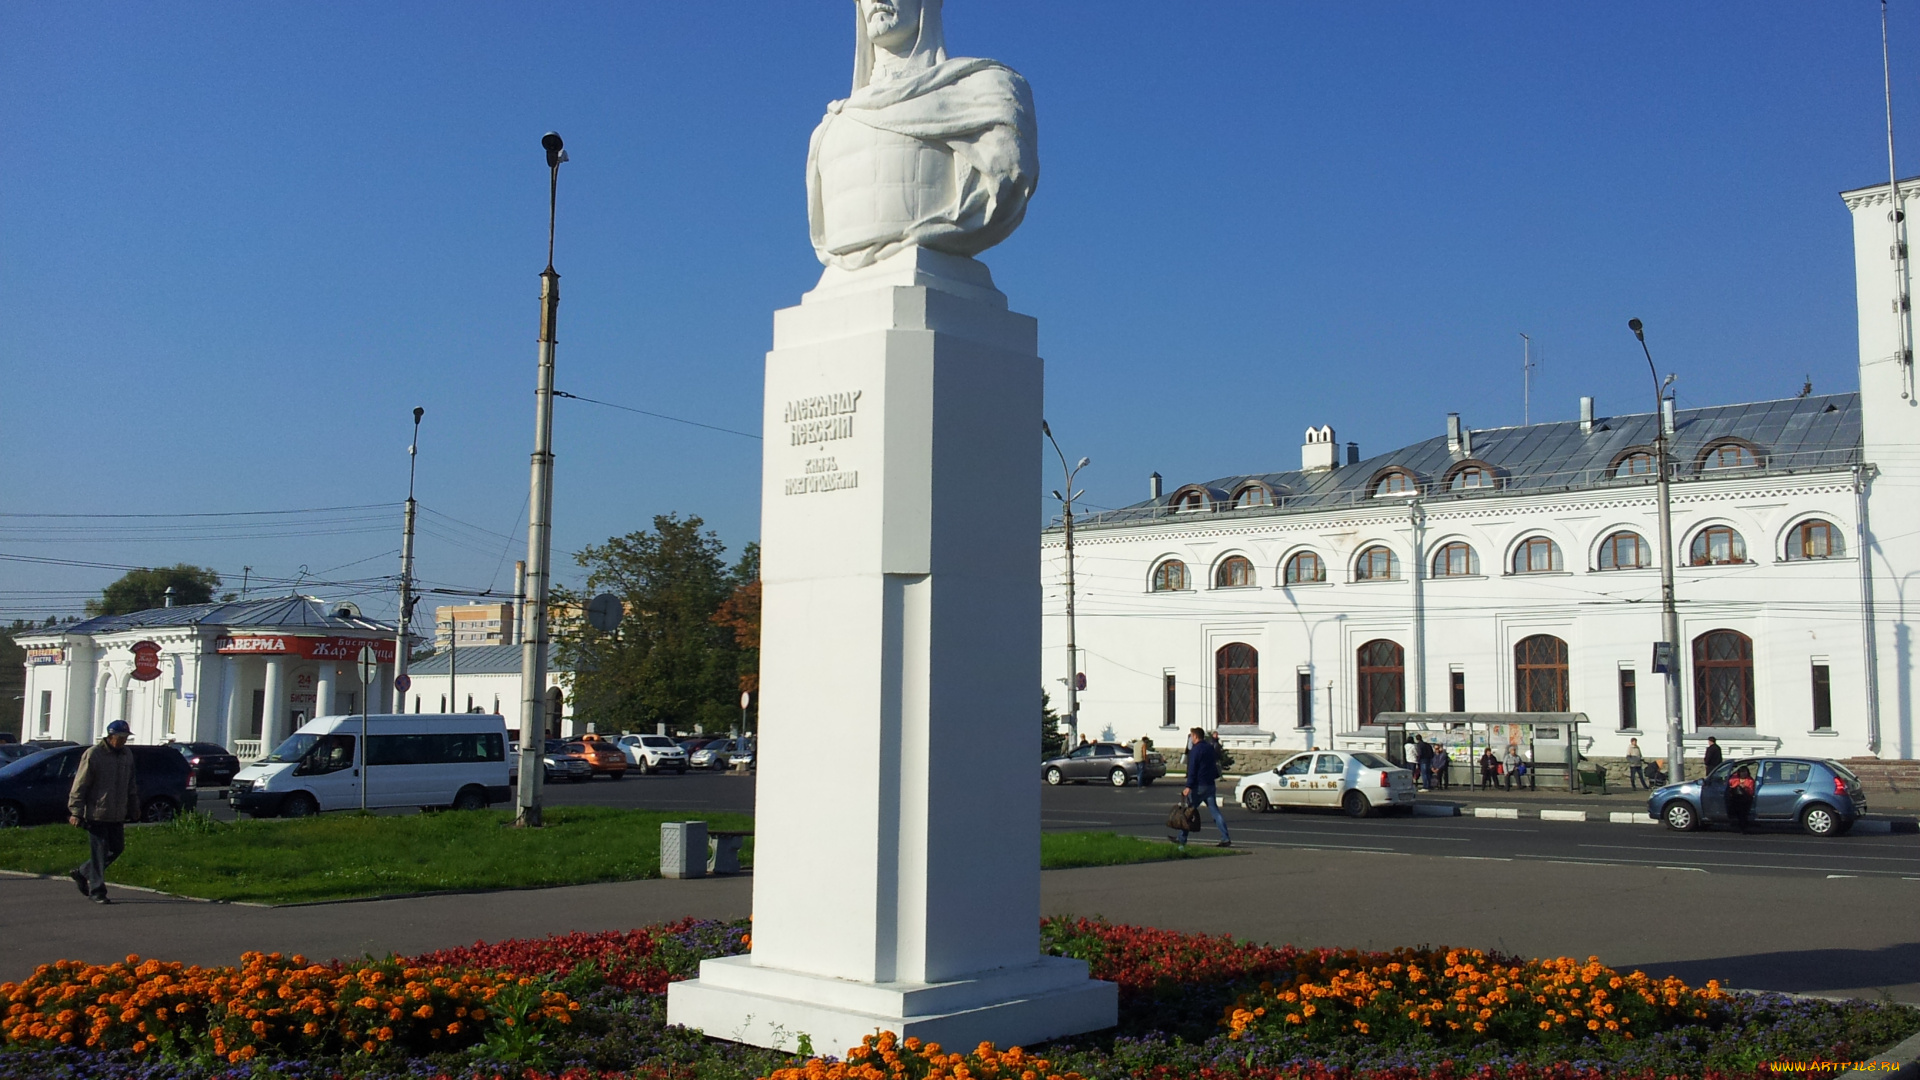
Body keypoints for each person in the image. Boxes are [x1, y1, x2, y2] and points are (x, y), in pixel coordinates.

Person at [67, 720, 140, 905]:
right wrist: (76, 811)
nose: (123, 741)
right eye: (121, 738)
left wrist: (134, 807)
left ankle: (83, 872)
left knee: (117, 848)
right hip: (97, 813)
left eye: (126, 738)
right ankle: (97, 891)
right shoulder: (94, 754)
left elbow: (131, 784)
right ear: (110, 736)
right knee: (99, 853)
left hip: (117, 813)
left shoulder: (126, 755)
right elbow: (80, 784)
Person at [1175, 726, 1231, 848]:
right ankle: (1225, 837)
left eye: (1191, 736)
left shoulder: (1195, 750)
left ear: (1195, 736)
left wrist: (1188, 786)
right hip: (1210, 784)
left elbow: (1192, 769)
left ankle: (1181, 839)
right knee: (1215, 812)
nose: (1191, 738)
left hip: (1198, 786)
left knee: (1189, 812)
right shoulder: (1209, 748)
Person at [1726, 764, 1757, 833]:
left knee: (1742, 810)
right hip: (1735, 798)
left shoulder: (1750, 780)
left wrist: (1745, 788)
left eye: (1745, 772)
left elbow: (1751, 792)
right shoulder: (1734, 779)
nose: (1743, 774)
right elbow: (1730, 785)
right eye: (1742, 772)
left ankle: (1743, 826)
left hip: (1745, 799)